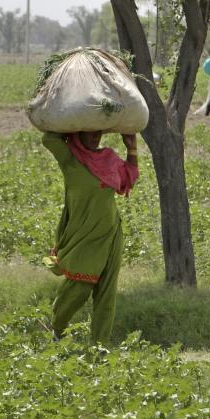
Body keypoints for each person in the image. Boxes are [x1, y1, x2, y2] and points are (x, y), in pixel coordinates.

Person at [43, 130, 139, 345]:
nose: (95, 136)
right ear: (78, 133)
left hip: (111, 234)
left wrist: (131, 146)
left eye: (98, 132)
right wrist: (71, 122)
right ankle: (57, 331)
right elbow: (48, 138)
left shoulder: (108, 159)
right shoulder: (70, 159)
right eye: (89, 131)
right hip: (83, 235)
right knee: (79, 287)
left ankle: (99, 348)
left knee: (107, 294)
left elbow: (130, 176)